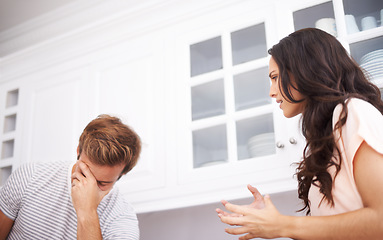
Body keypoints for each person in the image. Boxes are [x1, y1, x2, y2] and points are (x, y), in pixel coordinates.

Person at [216, 28, 383, 239]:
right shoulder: (327, 134)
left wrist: (282, 225)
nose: (271, 91)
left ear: (306, 70)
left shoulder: (352, 111)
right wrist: (270, 221)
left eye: (275, 77)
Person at [0, 114, 142, 239]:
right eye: (85, 174)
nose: (89, 187)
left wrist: (87, 211)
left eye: (102, 183)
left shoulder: (123, 219)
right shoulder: (30, 175)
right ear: (78, 151)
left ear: (123, 173)